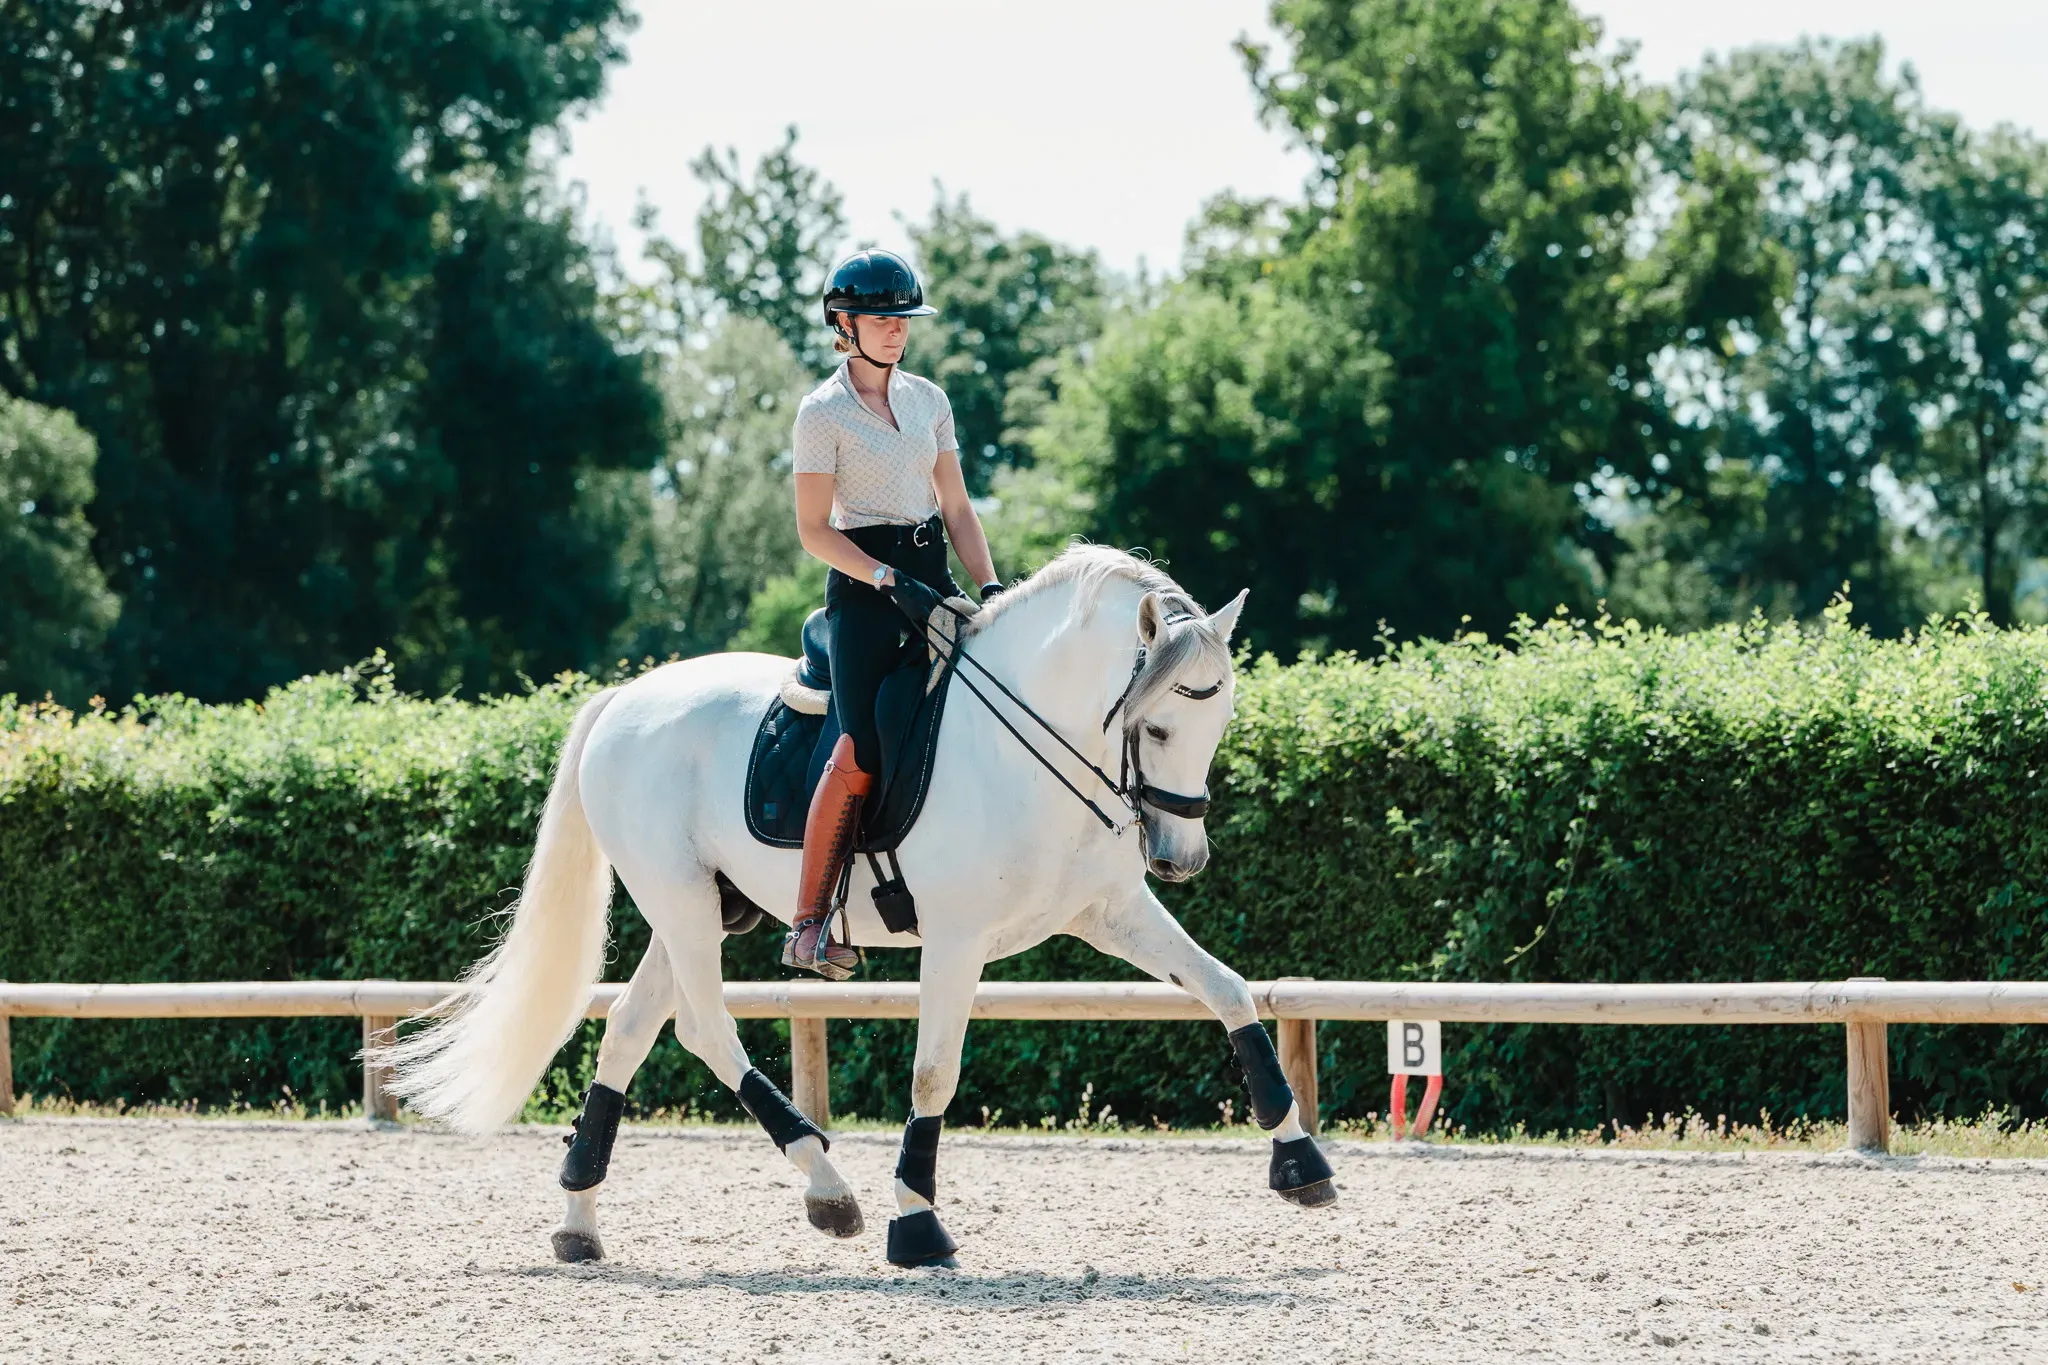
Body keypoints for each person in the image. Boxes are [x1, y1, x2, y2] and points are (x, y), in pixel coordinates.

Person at [782, 249, 1004, 978]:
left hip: (932, 573)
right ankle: (810, 921)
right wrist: (884, 579)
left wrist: (992, 587)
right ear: (844, 324)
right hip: (863, 592)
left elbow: (959, 507)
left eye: (903, 320)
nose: (896, 332)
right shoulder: (822, 413)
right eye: (882, 319)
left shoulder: (928, 399)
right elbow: (815, 529)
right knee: (863, 745)